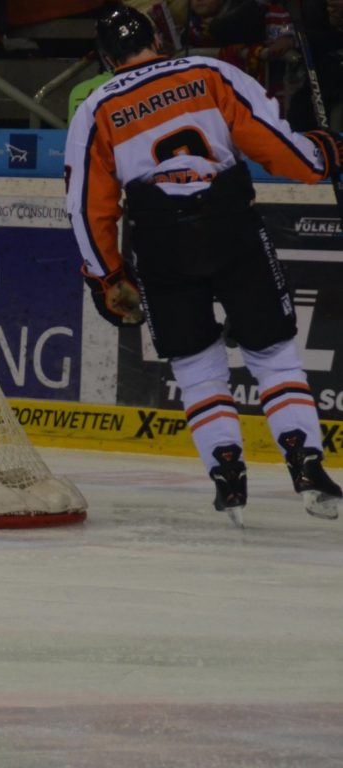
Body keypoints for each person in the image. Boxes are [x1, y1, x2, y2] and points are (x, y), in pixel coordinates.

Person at [64, 4, 343, 526]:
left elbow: (86, 206)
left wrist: (107, 277)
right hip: (229, 223)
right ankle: (306, 465)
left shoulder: (96, 106)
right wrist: (320, 156)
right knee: (275, 354)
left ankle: (226, 470)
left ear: (105, 56)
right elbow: (272, 143)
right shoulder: (209, 73)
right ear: (156, 37)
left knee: (195, 366)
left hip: (161, 240)